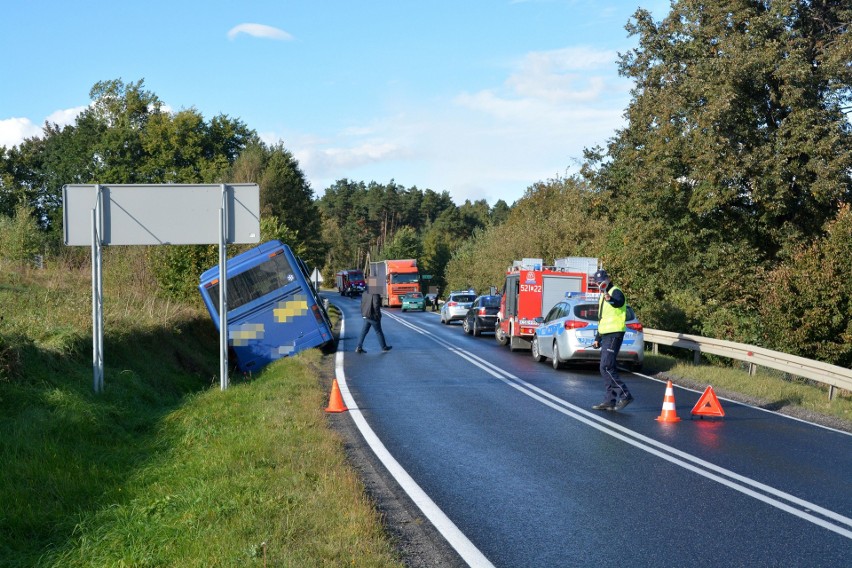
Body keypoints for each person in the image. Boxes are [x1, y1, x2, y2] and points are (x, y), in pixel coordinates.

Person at [590, 269, 634, 411]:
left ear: (608, 279)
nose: (600, 283)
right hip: (606, 335)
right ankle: (610, 400)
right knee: (606, 368)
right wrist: (598, 338)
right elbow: (601, 318)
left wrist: (611, 299)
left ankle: (625, 395)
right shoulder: (602, 296)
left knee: (606, 367)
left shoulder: (615, 291)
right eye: (597, 282)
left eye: (602, 280)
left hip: (615, 334)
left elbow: (619, 303)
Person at [355, 288, 392, 353]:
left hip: (366, 315)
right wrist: (378, 315)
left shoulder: (364, 293)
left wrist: (363, 314)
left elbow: (362, 304)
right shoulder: (375, 294)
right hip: (373, 316)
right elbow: (376, 306)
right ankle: (384, 347)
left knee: (363, 332)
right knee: (378, 332)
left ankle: (359, 347)